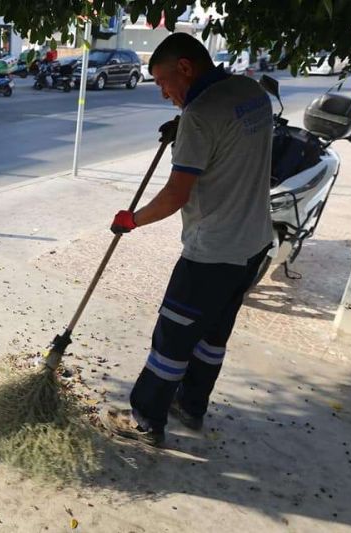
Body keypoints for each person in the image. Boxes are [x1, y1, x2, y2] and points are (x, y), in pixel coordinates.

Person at [105, 33, 274, 447]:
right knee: (213, 335)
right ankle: (192, 406)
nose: (164, 94)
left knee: (172, 338)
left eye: (164, 82)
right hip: (253, 245)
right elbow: (228, 135)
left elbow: (176, 193)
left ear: (185, 67)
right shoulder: (251, 91)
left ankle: (145, 419)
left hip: (211, 253)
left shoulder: (200, 114)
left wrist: (132, 219)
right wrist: (184, 127)